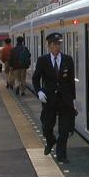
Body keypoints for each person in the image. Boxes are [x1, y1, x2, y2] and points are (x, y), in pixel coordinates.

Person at [32, 32, 75, 163]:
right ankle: (50, 140)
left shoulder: (68, 59)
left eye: (59, 44)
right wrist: (39, 91)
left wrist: (73, 100)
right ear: (49, 46)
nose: (58, 47)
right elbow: (35, 78)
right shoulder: (42, 60)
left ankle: (61, 155)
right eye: (55, 44)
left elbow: (71, 82)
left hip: (64, 100)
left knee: (64, 130)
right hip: (49, 99)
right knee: (47, 126)